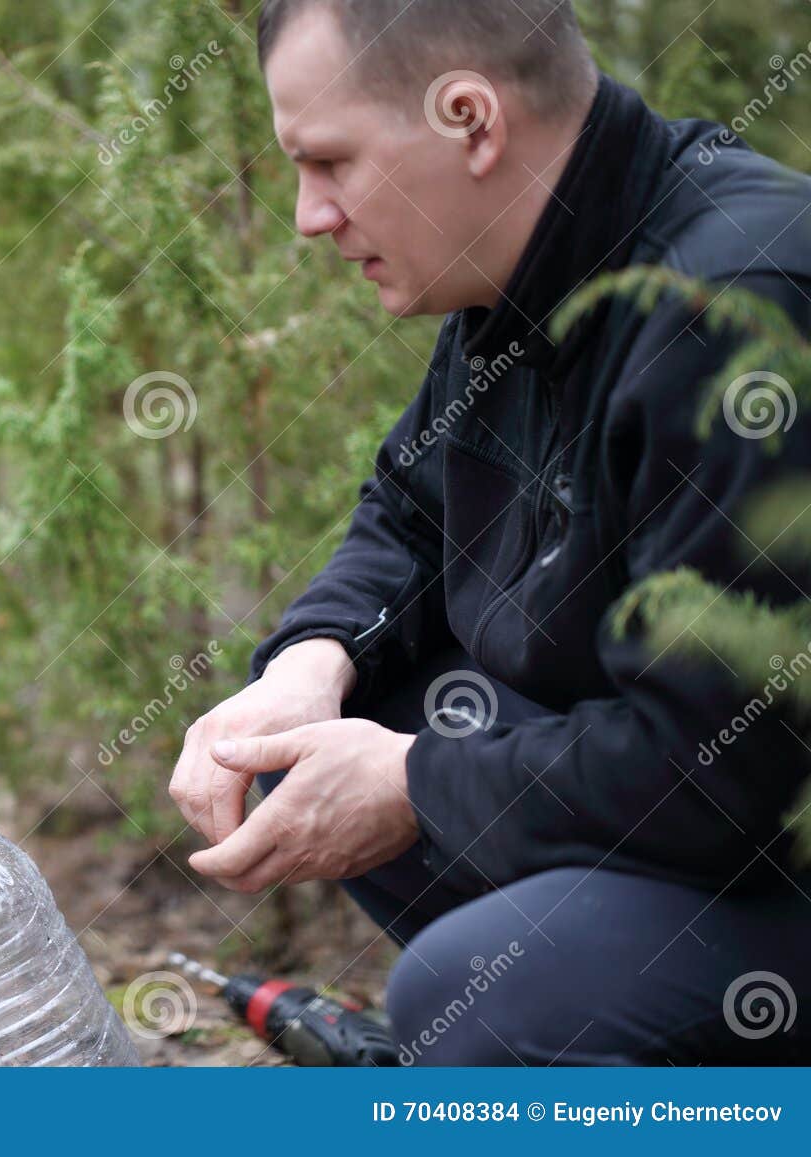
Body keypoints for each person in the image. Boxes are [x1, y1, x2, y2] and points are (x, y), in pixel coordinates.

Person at [170, 0, 811, 1064]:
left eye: (327, 161)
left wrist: (416, 783)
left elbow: (738, 764)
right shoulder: (523, 267)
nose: (307, 216)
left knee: (479, 998)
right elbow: (411, 509)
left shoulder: (741, 308)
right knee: (299, 747)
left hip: (767, 829)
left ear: (469, 118)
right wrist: (306, 662)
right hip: (697, 808)